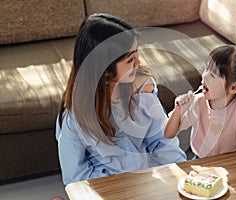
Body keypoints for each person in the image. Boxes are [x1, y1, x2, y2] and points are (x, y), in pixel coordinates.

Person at [56, 13, 186, 185]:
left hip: (148, 181)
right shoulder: (75, 117)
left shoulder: (141, 91)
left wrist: (181, 174)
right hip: (109, 188)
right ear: (105, 70)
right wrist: (122, 185)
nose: (138, 63)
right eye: (131, 59)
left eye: (137, 54)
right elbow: (75, 176)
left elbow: (162, 142)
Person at [165, 45, 236, 178]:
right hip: (201, 162)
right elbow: (169, 134)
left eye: (213, 74)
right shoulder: (197, 103)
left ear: (234, 87)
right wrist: (178, 110)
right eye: (206, 69)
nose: (204, 76)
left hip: (234, 163)